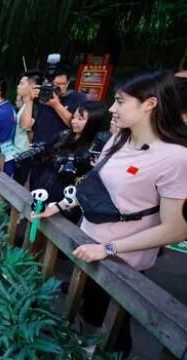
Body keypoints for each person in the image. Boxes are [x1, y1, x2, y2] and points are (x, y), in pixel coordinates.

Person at [34, 70, 187, 356]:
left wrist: (109, 248)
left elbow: (176, 229)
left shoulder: (176, 157)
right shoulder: (118, 140)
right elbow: (94, 187)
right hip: (89, 244)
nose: (112, 109)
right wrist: (59, 206)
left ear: (150, 104)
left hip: (122, 261)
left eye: (119, 101)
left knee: (111, 327)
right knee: (87, 314)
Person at [34, 101, 110, 222]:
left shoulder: (96, 148)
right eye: (74, 117)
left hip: (65, 203)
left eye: (80, 119)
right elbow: (44, 158)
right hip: (42, 192)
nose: (74, 121)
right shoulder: (64, 135)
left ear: (94, 122)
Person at [13, 70, 43, 184]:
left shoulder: (33, 107)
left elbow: (27, 128)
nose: (18, 86)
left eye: (22, 83)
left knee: (16, 187)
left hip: (24, 156)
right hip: (17, 154)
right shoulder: (25, 105)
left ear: (32, 87)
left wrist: (29, 100)